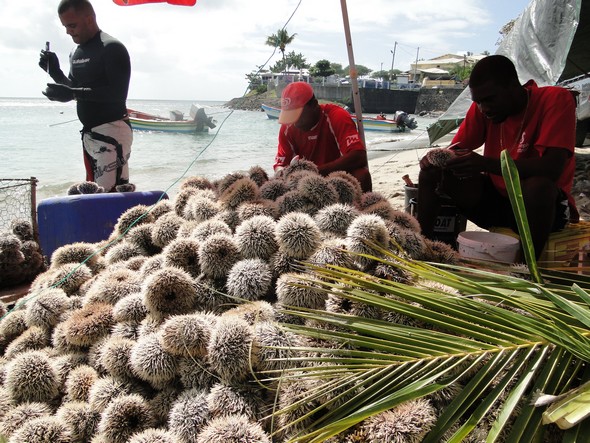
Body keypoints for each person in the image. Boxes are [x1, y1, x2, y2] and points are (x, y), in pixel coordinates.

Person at [418, 54, 578, 259]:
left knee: (538, 186)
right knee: (434, 171)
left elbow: (552, 168)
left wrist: (485, 164)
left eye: (490, 100)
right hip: (498, 203)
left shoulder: (555, 99)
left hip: (543, 209)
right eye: (478, 102)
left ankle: (526, 267)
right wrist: (438, 157)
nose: (484, 109)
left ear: (513, 85)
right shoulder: (484, 109)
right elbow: (455, 149)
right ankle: (423, 247)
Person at [39, 0, 133, 192]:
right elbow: (75, 89)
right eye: (65, 26)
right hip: (91, 134)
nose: (68, 32)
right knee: (95, 192)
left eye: (72, 25)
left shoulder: (112, 48)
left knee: (109, 194)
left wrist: (72, 93)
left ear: (89, 19)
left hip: (113, 131)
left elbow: (117, 94)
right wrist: (55, 72)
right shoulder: (75, 52)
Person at [273, 82, 373, 192]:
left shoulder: (336, 116)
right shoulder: (288, 127)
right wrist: (281, 172)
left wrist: (316, 172)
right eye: (290, 115)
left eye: (298, 115)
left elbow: (359, 156)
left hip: (336, 177)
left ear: (314, 105)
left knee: (362, 175)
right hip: (304, 183)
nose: (295, 122)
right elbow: (280, 164)